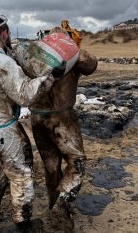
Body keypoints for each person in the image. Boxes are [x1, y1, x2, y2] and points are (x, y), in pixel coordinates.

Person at [0, 15, 60, 232]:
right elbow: (24, 96)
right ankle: (23, 224)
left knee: (0, 168)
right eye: (9, 36)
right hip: (2, 132)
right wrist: (50, 77)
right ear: (5, 34)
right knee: (22, 173)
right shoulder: (2, 62)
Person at [28, 27, 98, 232]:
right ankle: (62, 205)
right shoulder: (72, 55)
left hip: (37, 117)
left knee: (50, 164)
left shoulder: (35, 56)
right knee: (77, 162)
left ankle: (53, 205)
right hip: (62, 116)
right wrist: (74, 50)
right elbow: (91, 65)